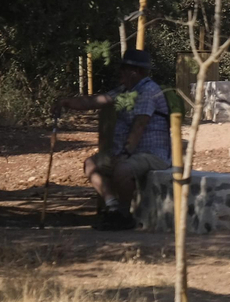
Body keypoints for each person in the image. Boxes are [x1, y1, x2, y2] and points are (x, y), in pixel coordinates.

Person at [54, 49, 171, 230]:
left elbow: (139, 125)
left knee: (122, 169)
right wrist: (65, 102)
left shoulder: (148, 91)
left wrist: (125, 153)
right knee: (91, 164)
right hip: (133, 153)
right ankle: (113, 208)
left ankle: (125, 216)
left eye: (124, 68)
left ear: (136, 72)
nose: (120, 72)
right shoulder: (125, 90)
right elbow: (94, 101)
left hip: (152, 153)